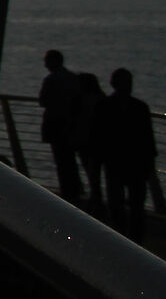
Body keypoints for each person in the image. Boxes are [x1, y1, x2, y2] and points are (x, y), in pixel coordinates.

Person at [92, 68, 156, 239]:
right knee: (117, 203)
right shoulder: (106, 106)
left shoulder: (138, 107)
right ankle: (123, 236)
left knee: (135, 205)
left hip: (134, 161)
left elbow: (147, 137)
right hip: (116, 160)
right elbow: (99, 135)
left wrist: (149, 160)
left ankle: (133, 238)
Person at [38, 49, 82, 201]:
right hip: (71, 124)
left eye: (47, 61)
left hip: (56, 124)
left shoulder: (51, 80)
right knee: (69, 159)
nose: (45, 64)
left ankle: (67, 191)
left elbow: (43, 100)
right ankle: (75, 189)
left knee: (61, 160)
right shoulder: (73, 78)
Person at [71, 70, 107, 217]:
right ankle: (97, 202)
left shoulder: (80, 99)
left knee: (91, 172)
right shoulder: (102, 99)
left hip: (86, 141)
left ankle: (95, 203)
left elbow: (75, 120)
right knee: (95, 173)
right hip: (99, 142)